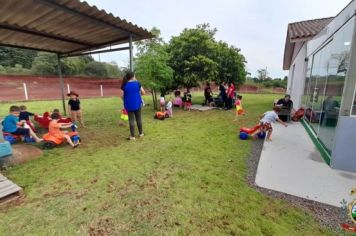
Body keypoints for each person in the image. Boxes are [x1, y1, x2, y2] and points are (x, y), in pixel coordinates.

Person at [121, 71, 145, 140]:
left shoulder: (124, 85)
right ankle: (141, 134)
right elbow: (143, 92)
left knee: (131, 120)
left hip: (128, 105)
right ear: (133, 76)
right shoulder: (138, 83)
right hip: (137, 103)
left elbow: (122, 96)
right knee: (139, 119)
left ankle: (132, 136)